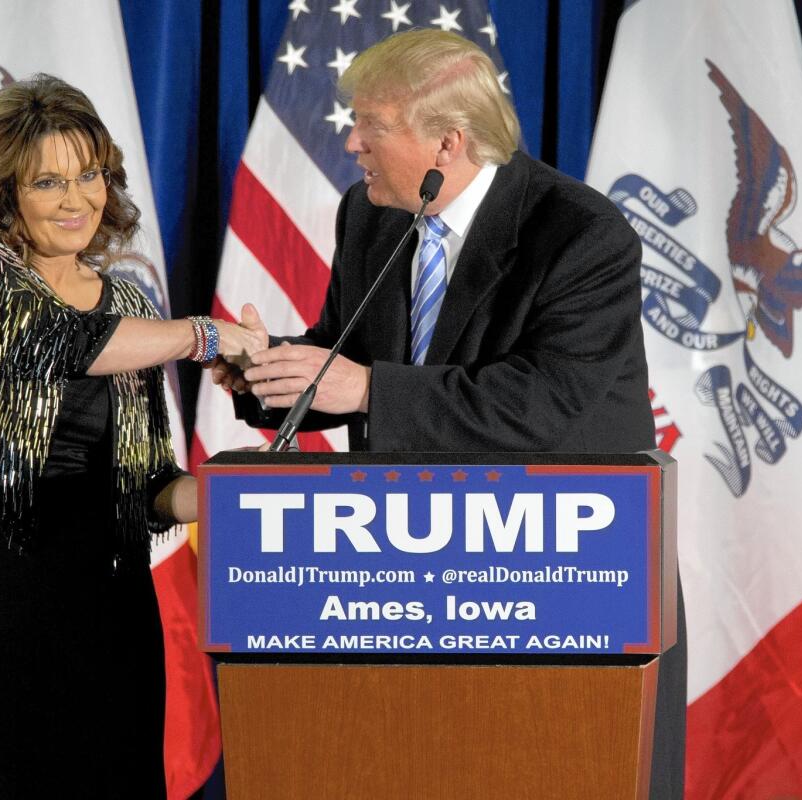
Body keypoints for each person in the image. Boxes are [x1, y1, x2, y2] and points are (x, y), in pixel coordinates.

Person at [223, 29, 686, 797]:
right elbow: (346, 351)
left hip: (564, 581)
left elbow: (547, 401)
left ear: (447, 141)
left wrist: (368, 389)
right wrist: (263, 370)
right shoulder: (369, 216)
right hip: (406, 583)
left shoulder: (579, 232)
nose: (350, 141)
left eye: (371, 124)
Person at [0, 74, 263, 799]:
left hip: (111, 609)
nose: (78, 199)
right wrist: (205, 336)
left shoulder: (131, 303)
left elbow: (148, 488)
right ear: (3, 191)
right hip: (2, 602)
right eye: (49, 182)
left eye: (91, 175)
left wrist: (233, 491)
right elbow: (58, 342)